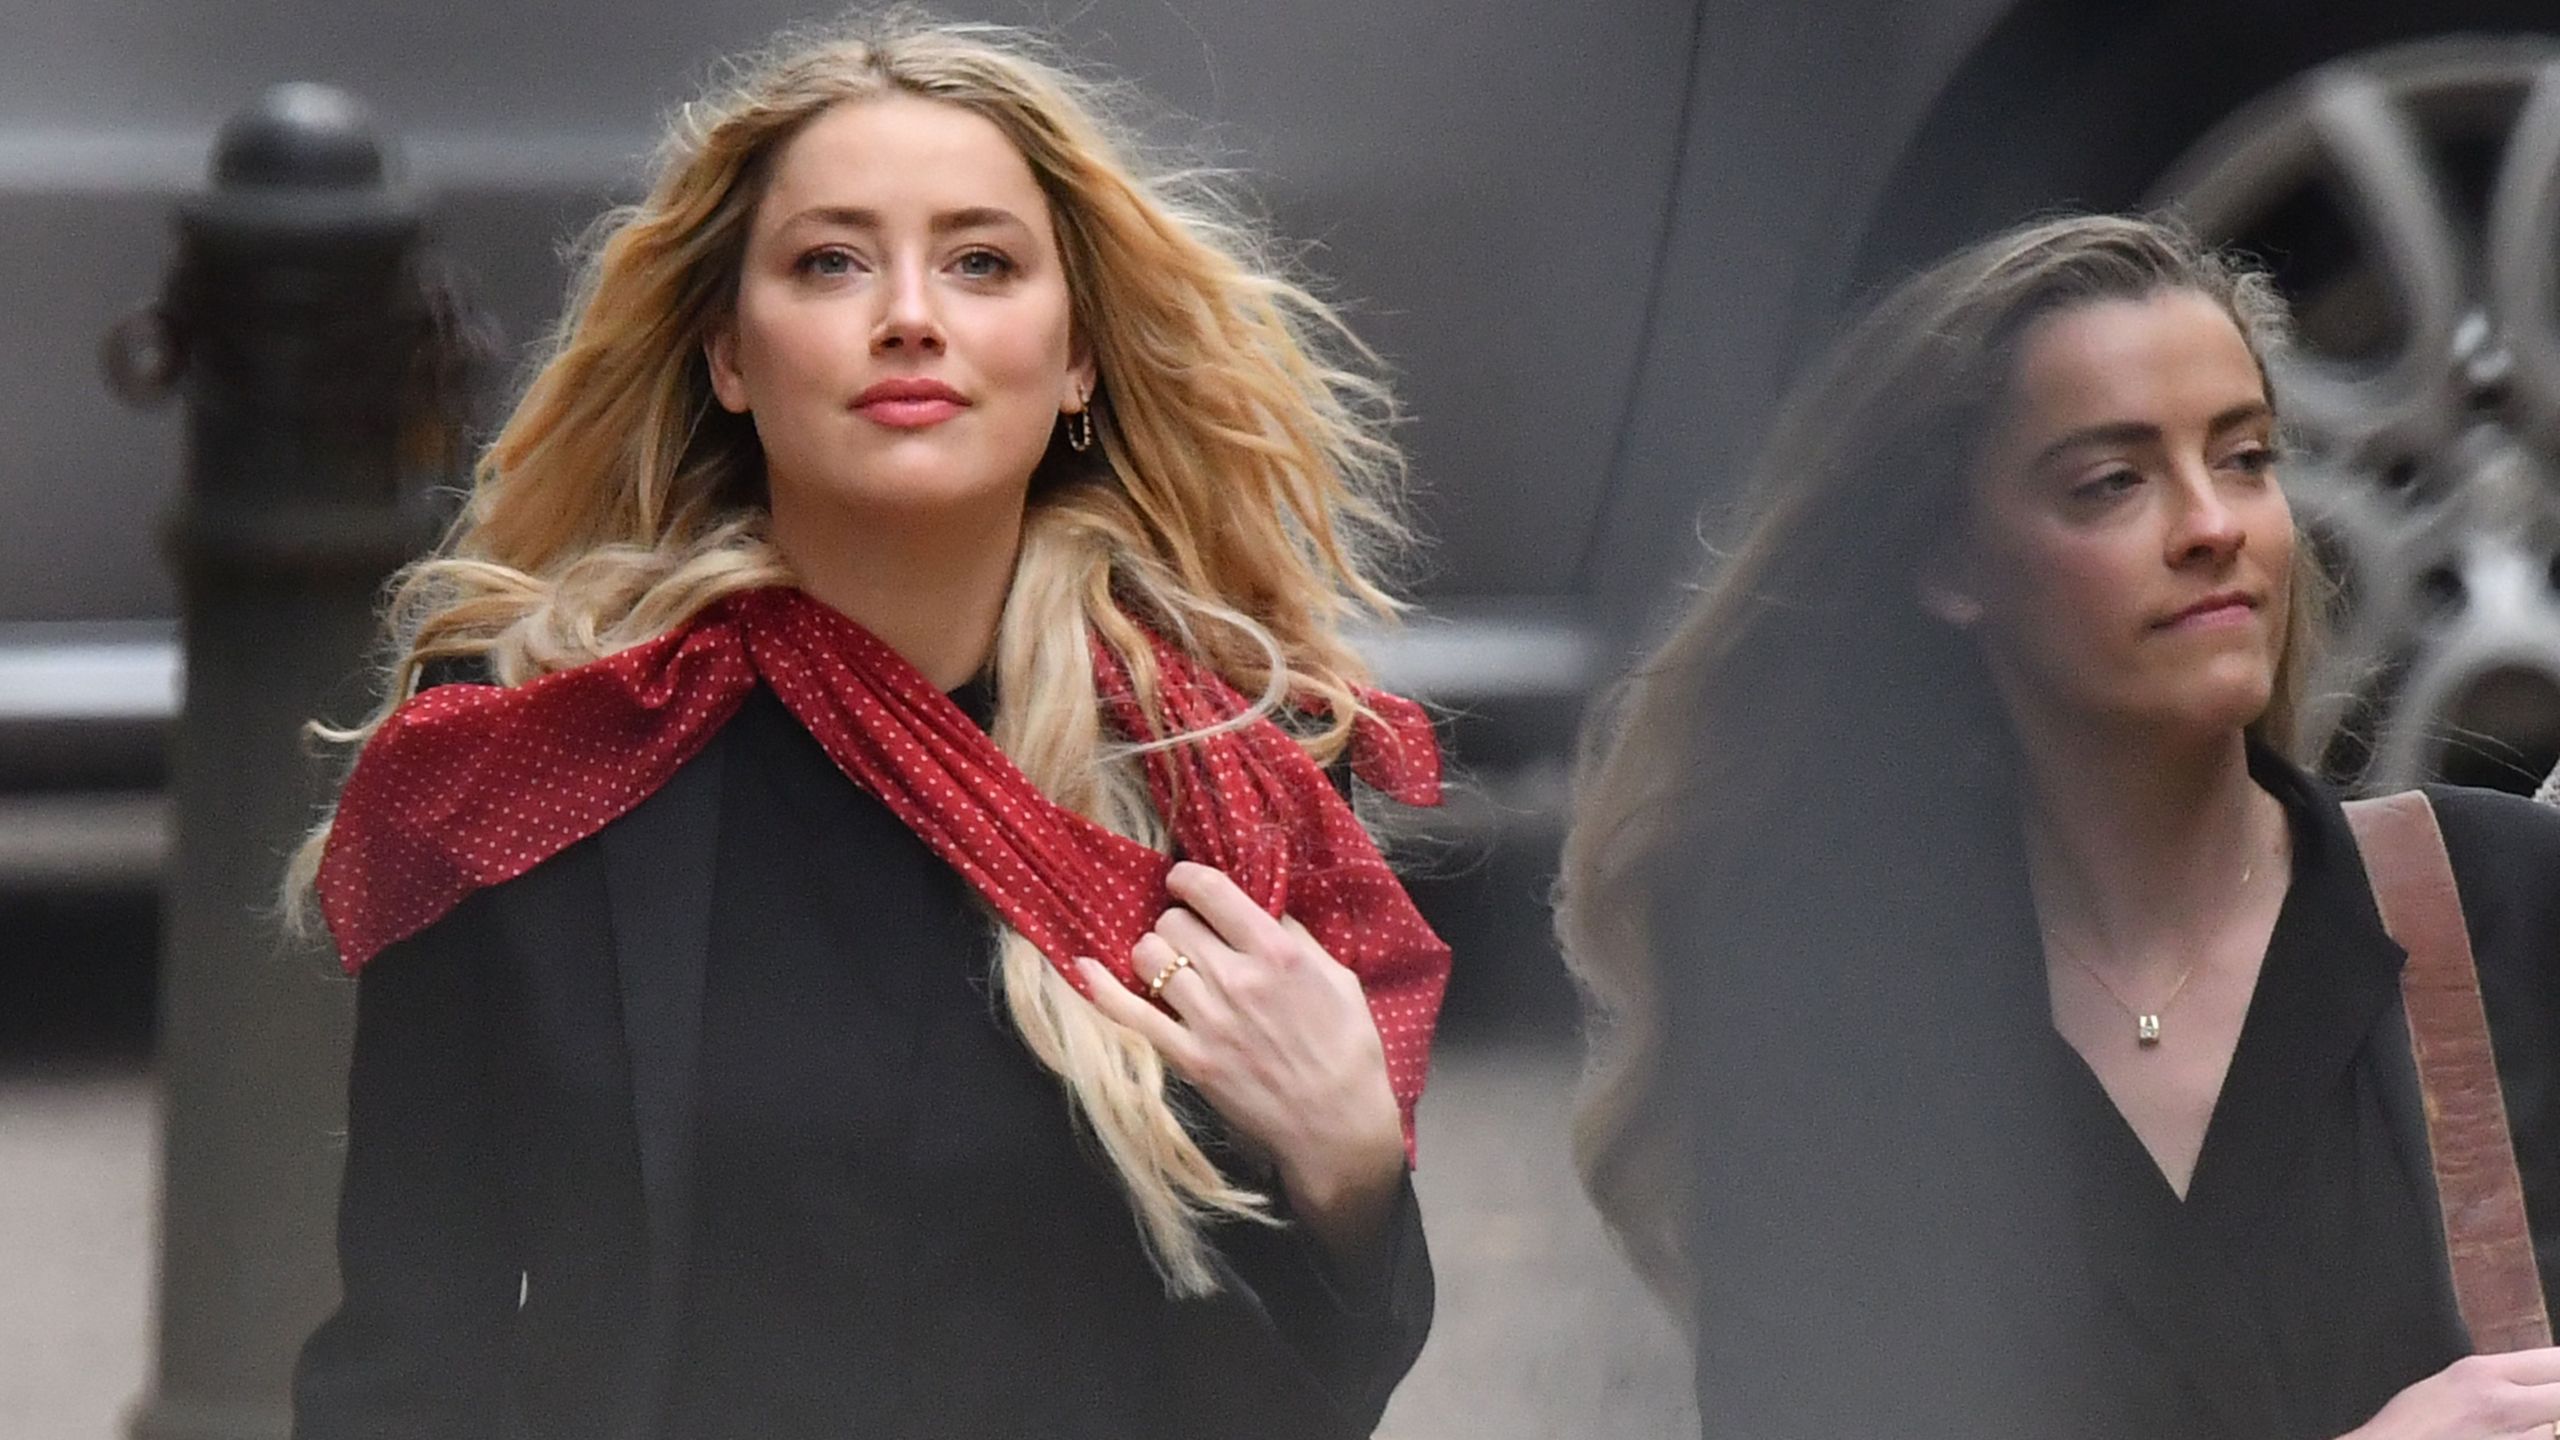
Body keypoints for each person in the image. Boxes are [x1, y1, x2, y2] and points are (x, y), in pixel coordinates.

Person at [285, 16, 1447, 1440]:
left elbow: (1298, 1394)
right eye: (831, 261)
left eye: (982, 262)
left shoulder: (1225, 775)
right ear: (726, 351)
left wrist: (1349, 1177)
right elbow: (410, 1352)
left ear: (1077, 359)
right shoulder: (540, 752)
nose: (910, 313)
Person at [1556, 214, 2560, 1439]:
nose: (2212, 526)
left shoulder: (2505, 904)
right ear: (1952, 564)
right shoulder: (1831, 1029)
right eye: (2112, 482)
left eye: (2244, 457)